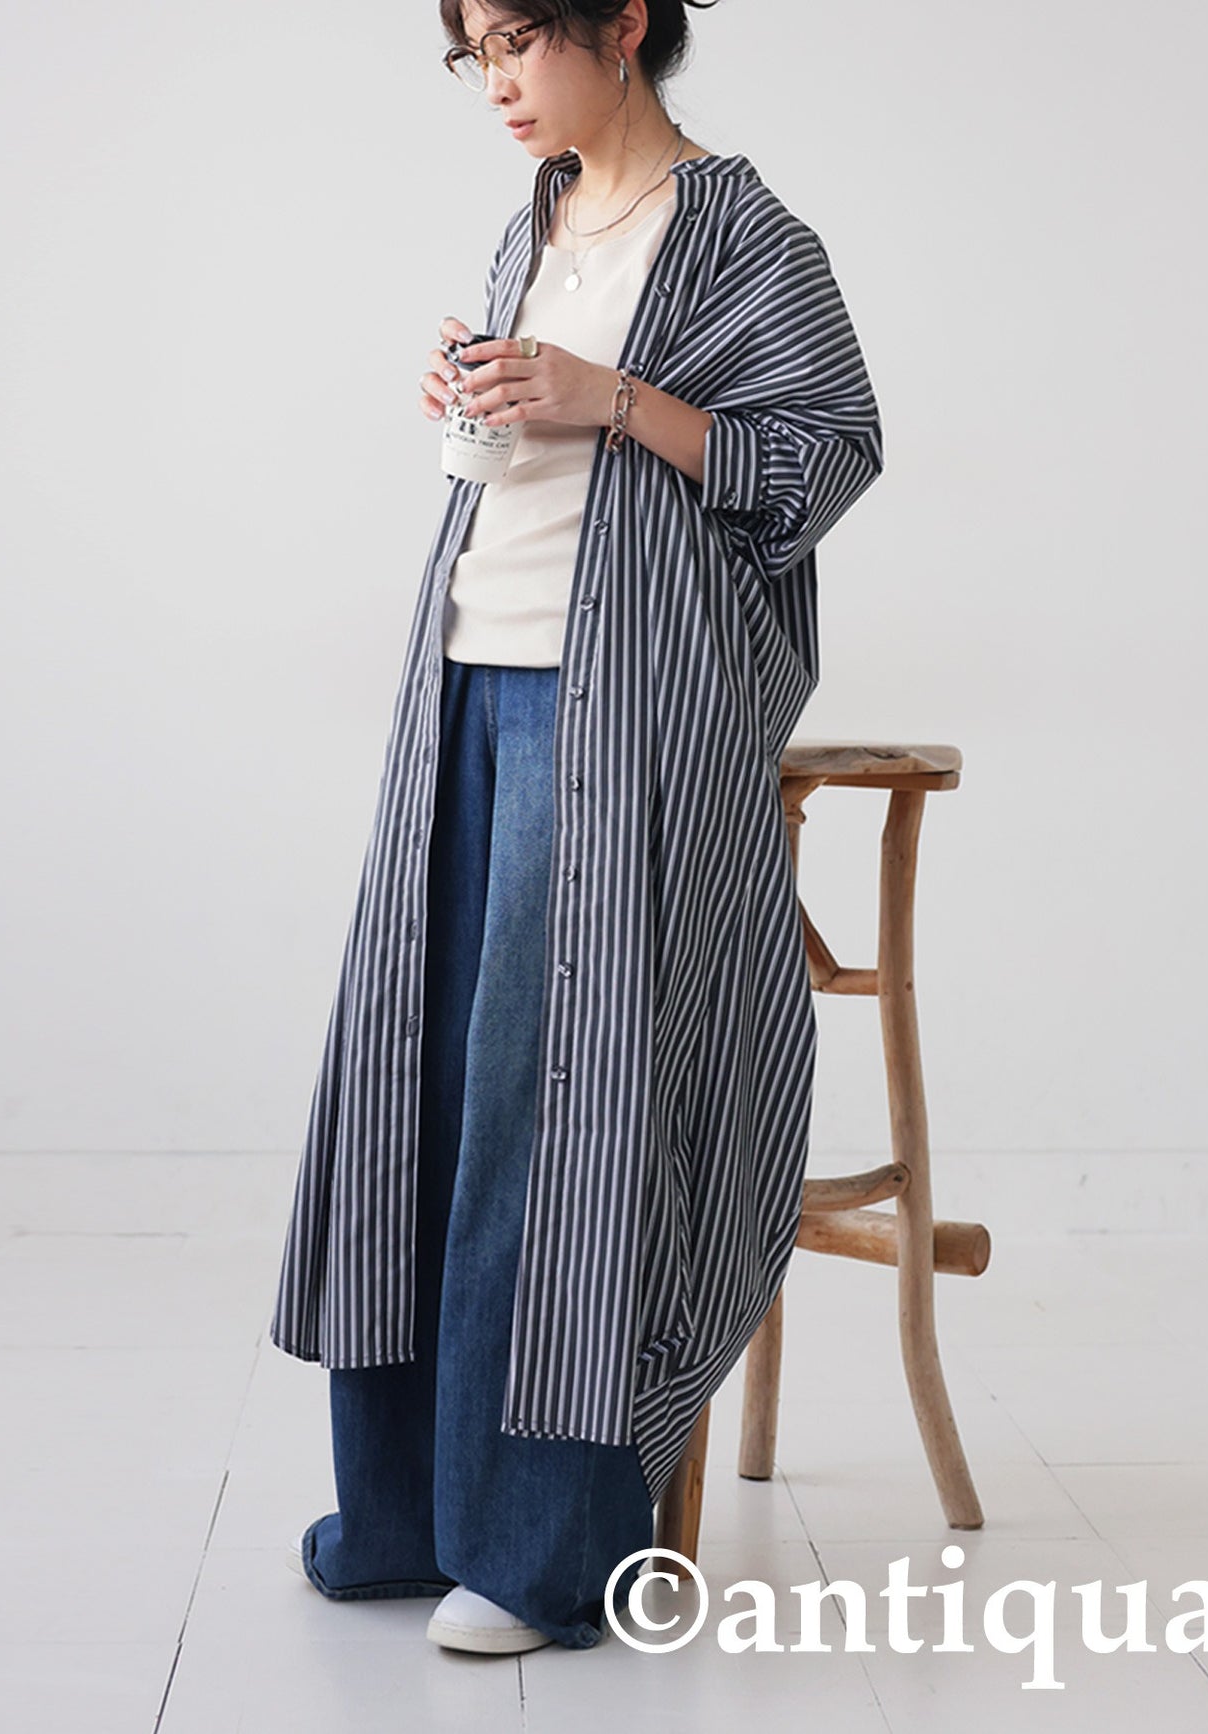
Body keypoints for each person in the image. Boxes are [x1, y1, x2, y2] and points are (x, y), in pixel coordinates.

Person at [275, 0, 884, 1658]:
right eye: (472, 51)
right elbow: (529, 458)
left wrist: (609, 395)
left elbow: (822, 462)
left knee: (555, 1114)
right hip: (467, 679)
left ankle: (543, 1543)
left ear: (620, 22)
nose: (495, 82)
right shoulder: (532, 216)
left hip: (612, 710)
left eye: (517, 42)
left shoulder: (747, 232)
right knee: (422, 1088)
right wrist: (480, 393)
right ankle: (411, 1511)